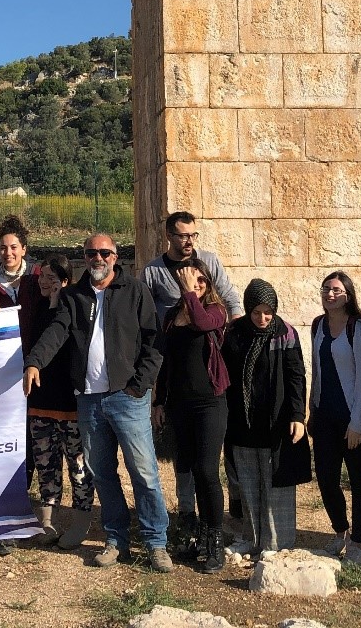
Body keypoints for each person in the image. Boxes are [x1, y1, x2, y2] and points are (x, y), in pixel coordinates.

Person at [23, 233, 172, 573]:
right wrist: (34, 361)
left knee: (145, 472)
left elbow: (154, 343)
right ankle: (116, 538)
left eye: (104, 252)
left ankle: (156, 542)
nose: (97, 258)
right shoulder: (74, 296)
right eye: (91, 253)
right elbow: (56, 331)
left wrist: (139, 386)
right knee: (103, 474)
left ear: (115, 257)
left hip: (127, 398)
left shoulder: (135, 291)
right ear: (84, 258)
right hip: (89, 400)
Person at [139, 211, 243, 534]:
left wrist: (237, 348)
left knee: (208, 461)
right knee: (181, 453)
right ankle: (186, 513)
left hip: (207, 374)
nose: (189, 242)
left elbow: (229, 300)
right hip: (173, 366)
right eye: (183, 236)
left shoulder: (207, 263)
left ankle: (218, 521)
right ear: (169, 235)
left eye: (193, 236)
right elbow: (145, 314)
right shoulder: (154, 272)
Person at [221, 278, 309, 561]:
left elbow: (297, 377)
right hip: (243, 422)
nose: (262, 318)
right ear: (247, 309)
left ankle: (276, 544)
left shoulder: (285, 334)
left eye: (267, 311)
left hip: (276, 422)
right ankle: (251, 538)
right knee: (247, 483)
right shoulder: (234, 333)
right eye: (256, 312)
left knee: (276, 484)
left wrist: (298, 415)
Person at [154, 257, 231, 572]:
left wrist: (188, 292)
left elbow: (202, 323)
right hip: (179, 405)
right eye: (190, 281)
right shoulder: (173, 316)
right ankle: (199, 534)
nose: (195, 286)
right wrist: (159, 402)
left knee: (207, 472)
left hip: (210, 403)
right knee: (188, 470)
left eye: (201, 282)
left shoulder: (215, 311)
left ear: (208, 284)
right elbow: (166, 360)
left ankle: (215, 542)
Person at [24, 256, 93, 550]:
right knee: (45, 465)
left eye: (53, 278)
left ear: (66, 281)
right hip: (40, 402)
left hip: (70, 404)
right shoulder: (36, 309)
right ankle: (47, 522)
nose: (45, 282)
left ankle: (81, 522)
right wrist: (50, 303)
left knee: (78, 466)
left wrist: (58, 303)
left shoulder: (75, 309)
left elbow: (62, 340)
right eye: (42, 276)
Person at [308, 271, 361, 566]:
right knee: (326, 477)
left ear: (348, 294)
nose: (329, 294)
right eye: (326, 289)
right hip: (324, 416)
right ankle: (340, 533)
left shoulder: (357, 328)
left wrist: (358, 422)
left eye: (336, 289)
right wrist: (312, 409)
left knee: (359, 481)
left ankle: (358, 542)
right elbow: (317, 371)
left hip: (351, 417)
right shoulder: (318, 325)